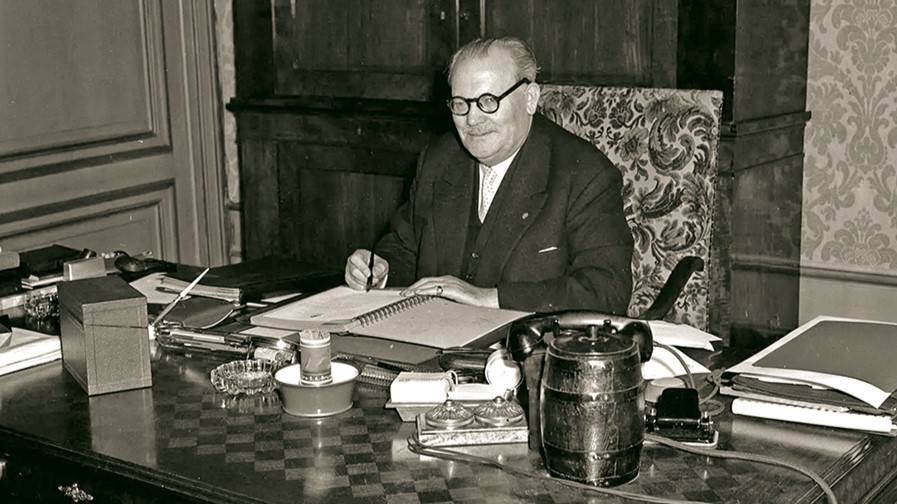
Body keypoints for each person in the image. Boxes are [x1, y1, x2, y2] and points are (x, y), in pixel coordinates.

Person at [345, 37, 633, 314]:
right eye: (460, 103)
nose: (472, 119)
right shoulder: (440, 159)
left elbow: (607, 290)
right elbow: (405, 247)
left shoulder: (584, 174)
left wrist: (489, 298)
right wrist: (379, 270)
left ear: (530, 98)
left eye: (488, 101)